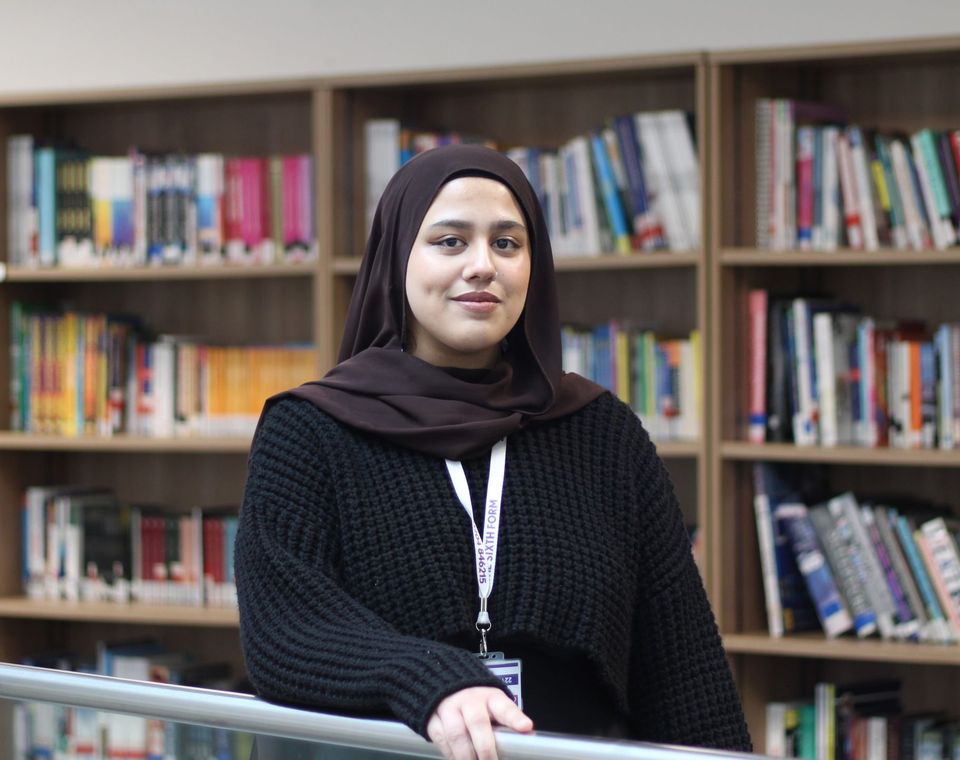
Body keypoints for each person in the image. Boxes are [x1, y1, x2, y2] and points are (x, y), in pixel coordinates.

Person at [235, 144, 752, 760]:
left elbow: (681, 663)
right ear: (397, 256)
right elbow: (286, 630)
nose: (482, 266)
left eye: (507, 243)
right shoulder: (310, 430)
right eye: (450, 241)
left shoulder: (601, 431)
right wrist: (428, 679)